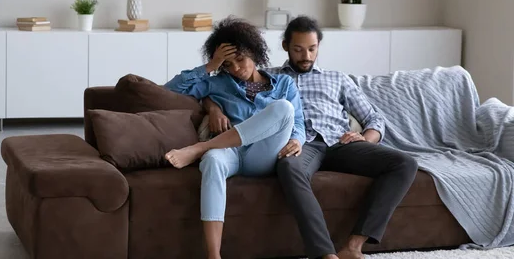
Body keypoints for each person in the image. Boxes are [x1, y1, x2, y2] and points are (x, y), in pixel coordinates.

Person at [203, 16, 419, 259]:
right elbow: (220, 89)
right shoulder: (270, 78)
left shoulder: (337, 79)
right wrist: (213, 107)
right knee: (288, 167)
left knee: (405, 163)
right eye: (298, 49)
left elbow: (374, 118)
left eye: (312, 49)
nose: (306, 55)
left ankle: (353, 247)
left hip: (340, 143)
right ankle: (325, 254)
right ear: (285, 46)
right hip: (301, 146)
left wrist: (365, 139)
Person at [163, 16, 305, 259]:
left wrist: (297, 140)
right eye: (227, 64)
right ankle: (213, 255)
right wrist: (210, 67)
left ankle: (199, 148)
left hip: (265, 153)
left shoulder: (283, 84)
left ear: (255, 53)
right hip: (232, 154)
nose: (237, 69)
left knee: (284, 108)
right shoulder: (216, 83)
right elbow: (167, 92)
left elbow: (298, 122)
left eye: (240, 59)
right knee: (212, 161)